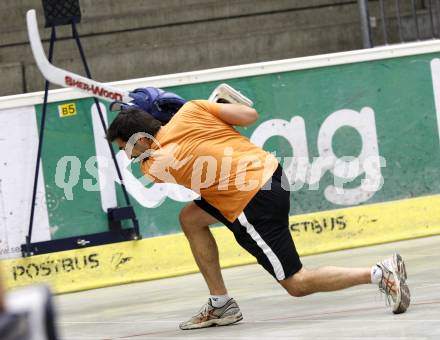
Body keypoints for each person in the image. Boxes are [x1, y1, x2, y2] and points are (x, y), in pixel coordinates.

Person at [106, 94, 410, 330]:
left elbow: (165, 146)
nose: (127, 155)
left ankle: (379, 273)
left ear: (142, 139)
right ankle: (220, 303)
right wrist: (194, 107)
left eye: (125, 147)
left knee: (296, 283)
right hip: (272, 174)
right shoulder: (193, 109)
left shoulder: (154, 164)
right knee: (191, 218)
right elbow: (248, 115)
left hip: (252, 201)